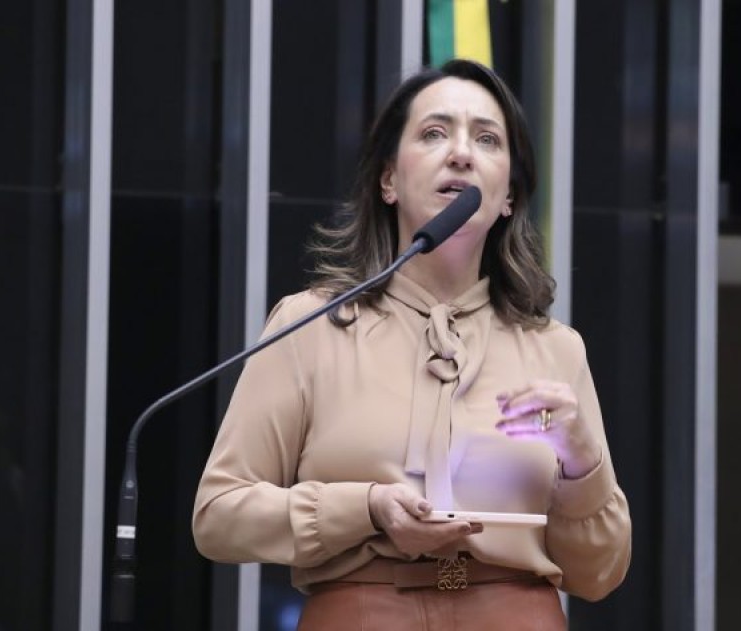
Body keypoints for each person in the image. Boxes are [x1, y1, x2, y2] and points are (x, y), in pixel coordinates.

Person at [193, 58, 631, 629]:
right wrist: (365, 508)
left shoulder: (555, 349)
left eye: (487, 139)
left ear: (507, 196)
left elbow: (600, 573)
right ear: (389, 180)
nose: (461, 153)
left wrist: (582, 464)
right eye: (434, 133)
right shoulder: (310, 326)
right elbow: (218, 516)